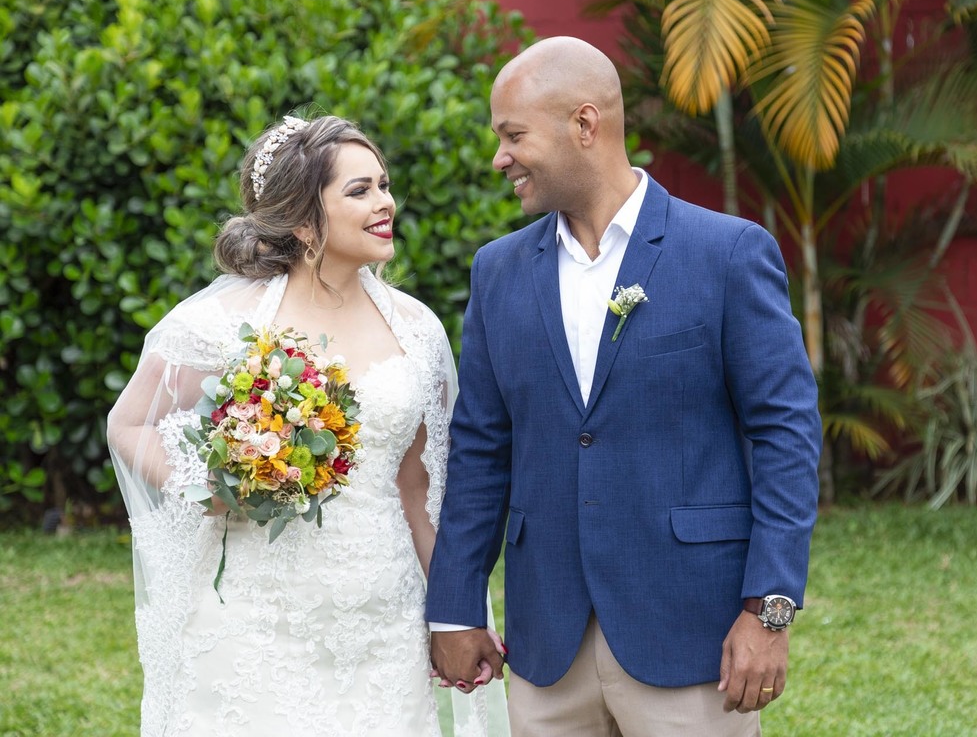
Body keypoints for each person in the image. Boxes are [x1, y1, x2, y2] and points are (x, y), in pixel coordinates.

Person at [425, 36, 822, 736]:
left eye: (513, 136)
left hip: (691, 641)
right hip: (546, 646)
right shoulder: (497, 272)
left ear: (585, 124)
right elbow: (482, 449)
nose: (500, 158)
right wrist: (455, 609)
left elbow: (785, 437)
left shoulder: (726, 253)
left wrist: (770, 611)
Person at [107, 114, 508, 736]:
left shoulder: (417, 330)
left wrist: (454, 613)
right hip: (254, 616)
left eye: (383, 184)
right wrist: (215, 485)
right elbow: (129, 424)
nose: (386, 203)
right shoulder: (224, 324)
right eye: (360, 191)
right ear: (302, 221)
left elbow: (418, 489)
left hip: (382, 616)